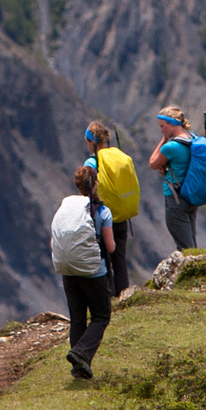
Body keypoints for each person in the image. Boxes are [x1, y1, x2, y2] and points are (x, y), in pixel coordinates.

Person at [49, 165, 115, 379]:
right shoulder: (102, 211)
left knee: (77, 318)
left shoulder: (66, 208)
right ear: (95, 184)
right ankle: (81, 354)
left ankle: (79, 369)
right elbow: (111, 247)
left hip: (68, 271)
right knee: (101, 316)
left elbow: (53, 242)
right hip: (94, 273)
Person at [82, 120, 139, 295]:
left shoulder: (93, 162)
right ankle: (123, 295)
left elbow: (86, 187)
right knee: (119, 259)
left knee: (102, 259)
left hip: (102, 216)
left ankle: (107, 299)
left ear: (91, 141)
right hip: (122, 215)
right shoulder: (119, 156)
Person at [149, 106, 198, 252]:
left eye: (162, 126)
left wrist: (164, 140)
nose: (161, 130)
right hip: (190, 195)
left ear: (171, 124)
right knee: (190, 238)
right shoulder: (192, 139)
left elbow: (152, 163)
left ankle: (193, 272)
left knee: (185, 245)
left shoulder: (171, 147)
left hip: (175, 197)